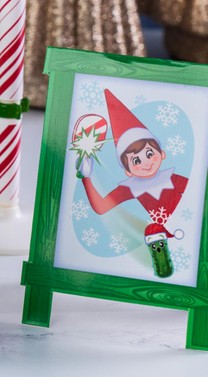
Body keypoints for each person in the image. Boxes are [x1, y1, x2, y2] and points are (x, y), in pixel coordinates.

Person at [78, 90, 187, 272]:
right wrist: (87, 177)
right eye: (136, 160)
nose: (145, 163)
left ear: (162, 154)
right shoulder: (130, 188)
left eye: (149, 153)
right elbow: (101, 207)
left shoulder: (176, 180)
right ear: (128, 171)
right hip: (156, 238)